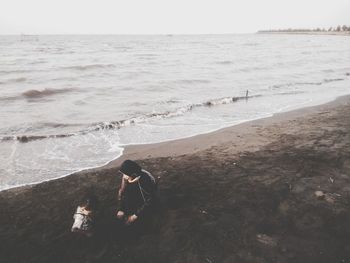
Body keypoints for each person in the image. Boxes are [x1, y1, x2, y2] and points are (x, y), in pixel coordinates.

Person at [116, 160, 156, 225]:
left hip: (145, 201)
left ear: (133, 174)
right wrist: (121, 209)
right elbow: (122, 192)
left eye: (125, 174)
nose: (124, 176)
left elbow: (150, 200)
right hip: (135, 197)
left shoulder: (145, 180)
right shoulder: (127, 177)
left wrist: (134, 216)